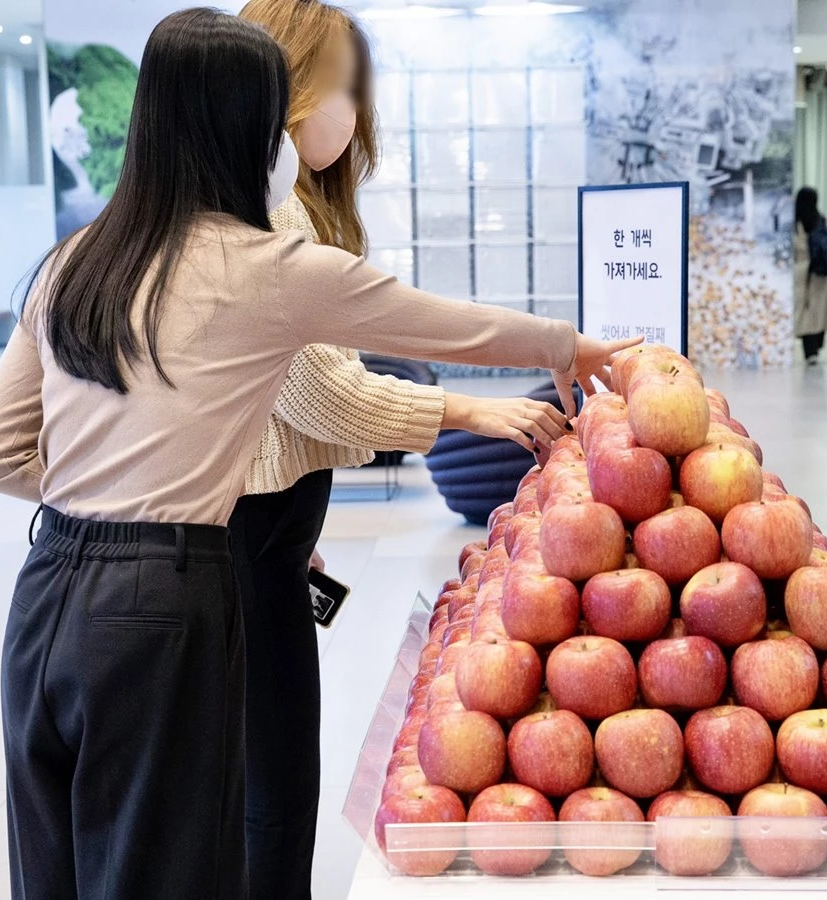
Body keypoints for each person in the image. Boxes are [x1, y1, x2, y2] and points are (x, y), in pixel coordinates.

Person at [0, 9, 640, 900]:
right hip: (164, 604)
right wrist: (568, 346)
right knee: (167, 868)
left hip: (45, 590)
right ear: (249, 130)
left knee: (50, 870)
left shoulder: (72, 263)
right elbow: (440, 320)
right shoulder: (266, 264)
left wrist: (114, 495)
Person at [230, 3, 569, 896]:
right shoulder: (271, 219)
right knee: (268, 787)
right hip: (237, 543)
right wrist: (472, 410)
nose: (354, 111)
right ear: (288, 84)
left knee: (266, 775)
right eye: (344, 86)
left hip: (264, 533)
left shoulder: (287, 209)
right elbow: (322, 392)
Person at [794, 186, 827, 365]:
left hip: (804, 273)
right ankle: (816, 347)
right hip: (824, 275)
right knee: (820, 312)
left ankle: (810, 351)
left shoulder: (796, 223)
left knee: (806, 312)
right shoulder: (821, 220)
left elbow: (797, 247)